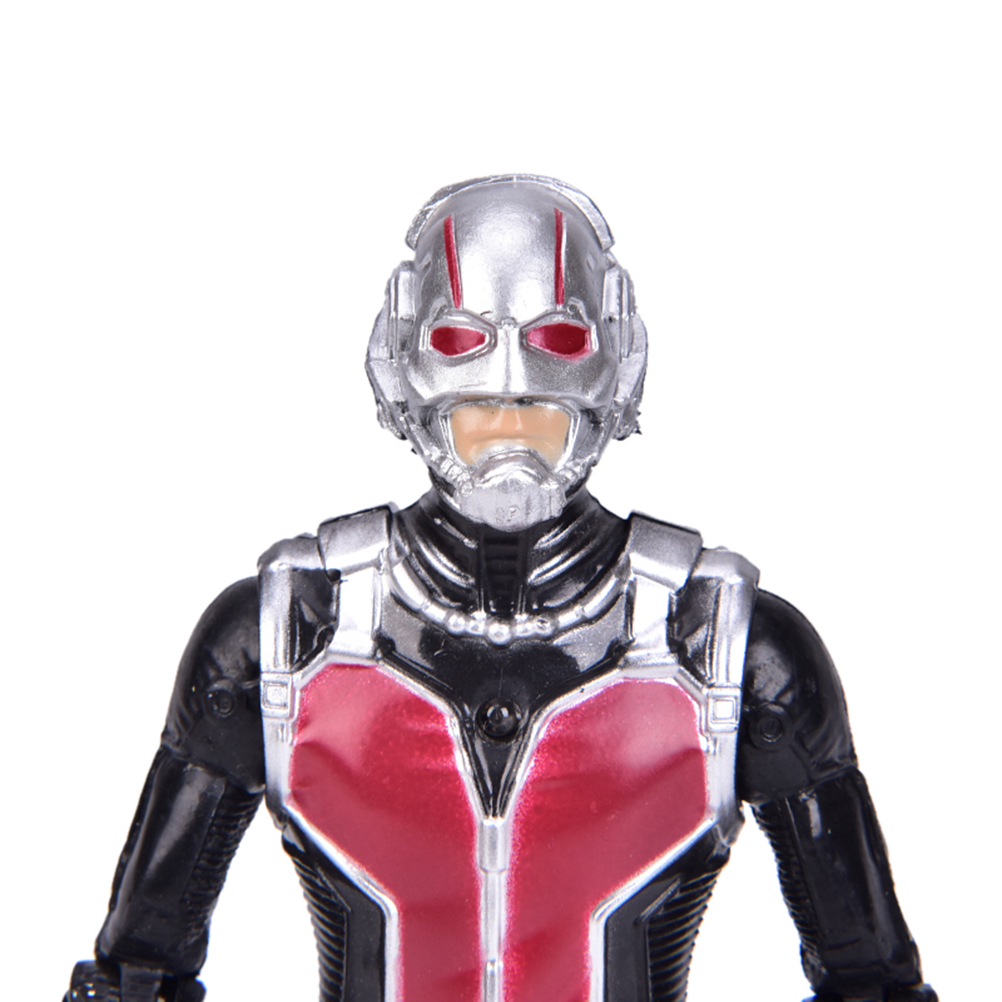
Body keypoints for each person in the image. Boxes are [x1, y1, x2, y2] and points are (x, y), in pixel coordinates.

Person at [66, 175, 936, 1002]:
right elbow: (139, 971)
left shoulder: (730, 649)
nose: (511, 398)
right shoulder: (285, 635)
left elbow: (867, 978)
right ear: (402, 366)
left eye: (553, 352)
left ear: (615, 366)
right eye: (468, 356)